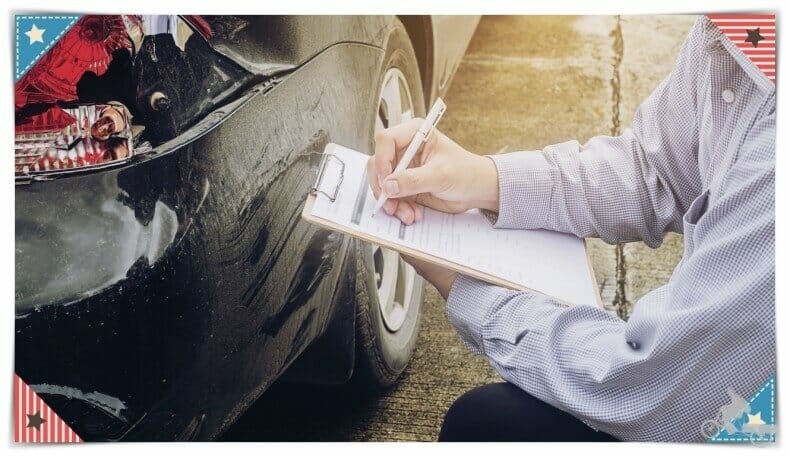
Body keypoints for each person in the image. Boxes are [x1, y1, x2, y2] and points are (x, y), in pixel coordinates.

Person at [367, 16, 774, 442]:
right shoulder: (737, 28)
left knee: (488, 427)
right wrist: (486, 179)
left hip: (754, 422)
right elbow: (655, 170)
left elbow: (649, 391)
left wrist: (469, 287)